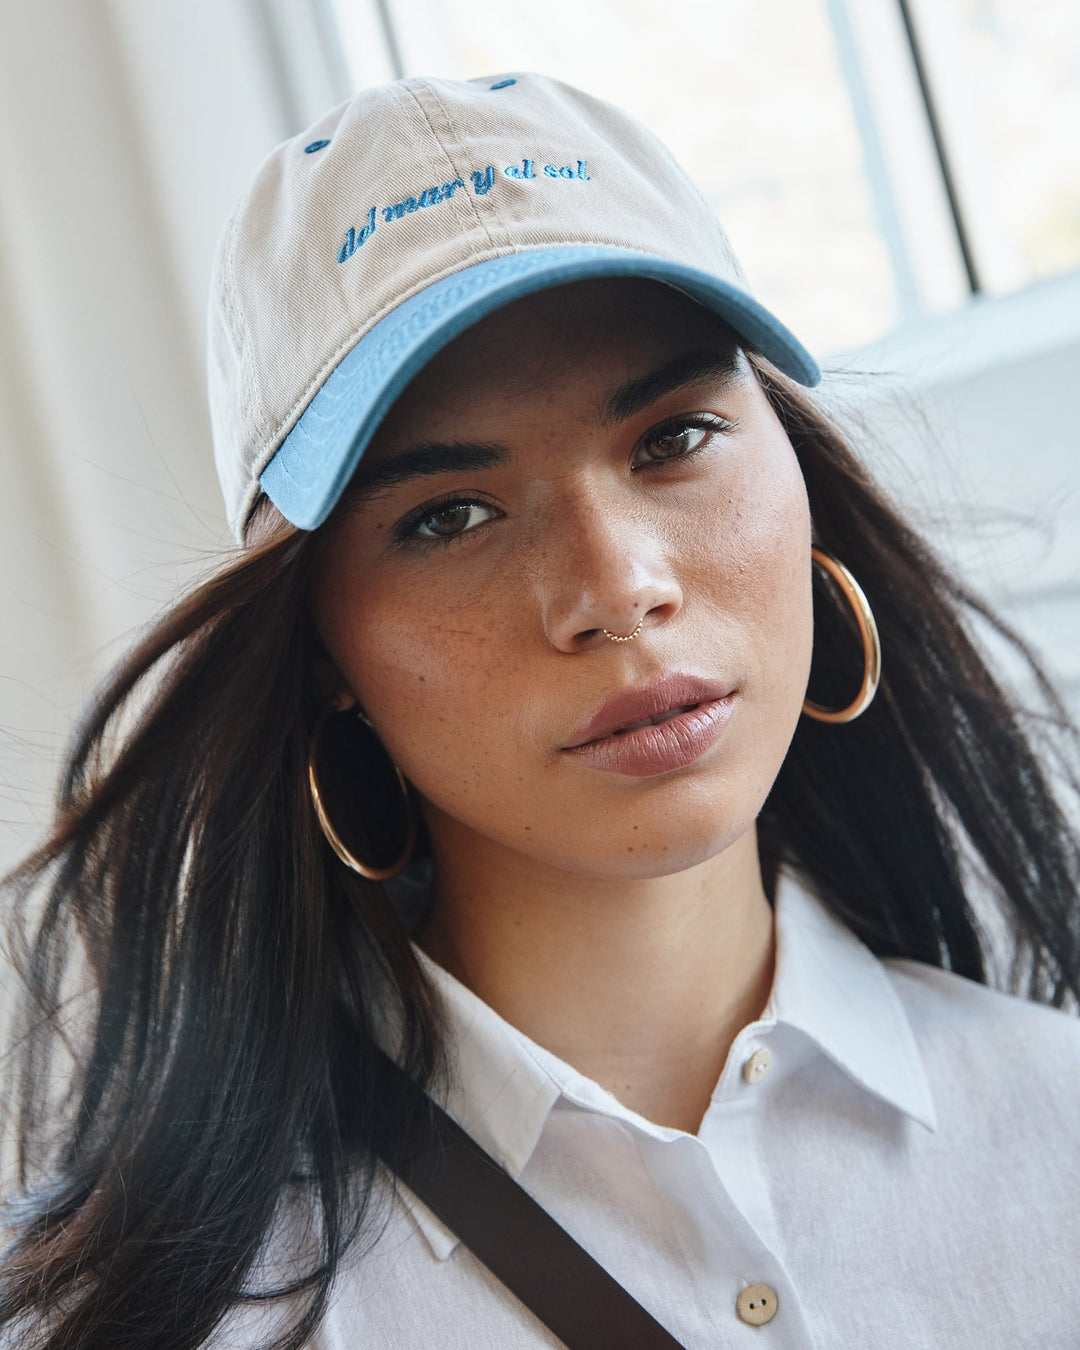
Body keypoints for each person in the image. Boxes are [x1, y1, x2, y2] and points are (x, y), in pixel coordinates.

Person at [2, 71, 1079, 1350]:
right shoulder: (157, 1313)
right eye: (448, 516)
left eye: (674, 438)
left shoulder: (1057, 1124)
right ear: (322, 645)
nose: (617, 587)